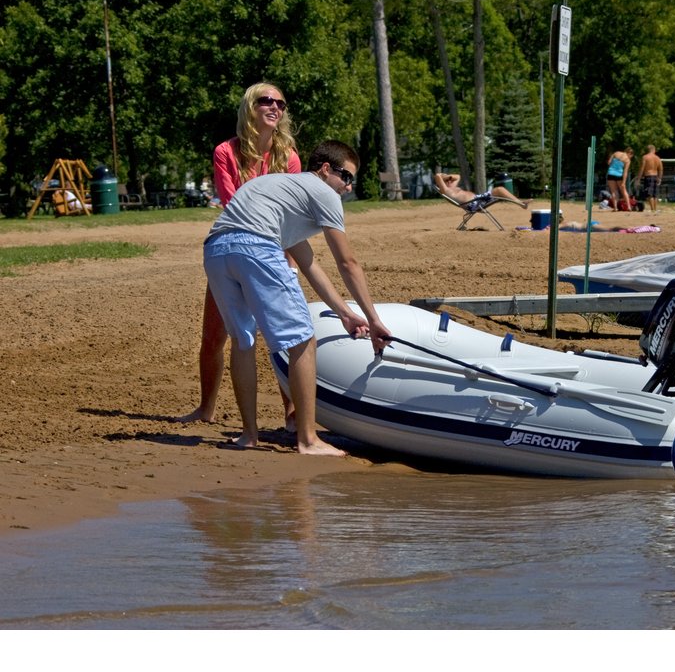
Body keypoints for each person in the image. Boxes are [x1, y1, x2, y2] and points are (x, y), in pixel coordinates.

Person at [203, 139, 390, 455]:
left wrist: (345, 313)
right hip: (254, 245)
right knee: (303, 340)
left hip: (216, 249)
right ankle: (308, 439)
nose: (348, 186)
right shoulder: (323, 193)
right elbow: (347, 263)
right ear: (326, 169)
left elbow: (308, 263)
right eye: (346, 177)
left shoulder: (283, 190)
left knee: (243, 340)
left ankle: (249, 436)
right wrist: (374, 319)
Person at [177, 82, 301, 427]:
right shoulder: (225, 153)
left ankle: (291, 412)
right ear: (251, 107)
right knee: (213, 337)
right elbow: (232, 205)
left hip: (274, 252)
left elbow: (290, 213)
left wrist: (287, 260)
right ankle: (206, 408)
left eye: (280, 103)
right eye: (266, 101)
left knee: (282, 338)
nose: (275, 107)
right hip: (232, 249)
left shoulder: (288, 157)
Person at [433, 172, 530, 208]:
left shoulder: (451, 188)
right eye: (447, 180)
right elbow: (437, 176)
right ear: (442, 183)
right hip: (474, 203)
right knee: (499, 189)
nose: (450, 181)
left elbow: (458, 176)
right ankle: (521, 204)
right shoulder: (446, 191)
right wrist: (445, 177)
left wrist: (449, 177)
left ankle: (521, 203)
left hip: (477, 199)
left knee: (499, 190)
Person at [606, 147, 634, 212]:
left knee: (613, 191)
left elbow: (609, 162)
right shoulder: (627, 160)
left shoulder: (616, 153)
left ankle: (615, 208)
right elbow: (625, 172)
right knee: (623, 191)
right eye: (631, 156)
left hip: (611, 173)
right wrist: (624, 182)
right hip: (619, 175)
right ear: (630, 153)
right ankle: (629, 207)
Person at [638, 145, 663, 214]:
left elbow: (642, 168)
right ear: (654, 150)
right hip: (655, 176)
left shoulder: (645, 157)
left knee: (649, 194)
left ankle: (652, 210)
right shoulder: (658, 158)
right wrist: (659, 178)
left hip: (648, 176)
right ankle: (655, 209)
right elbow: (661, 169)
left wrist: (638, 179)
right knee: (655, 194)